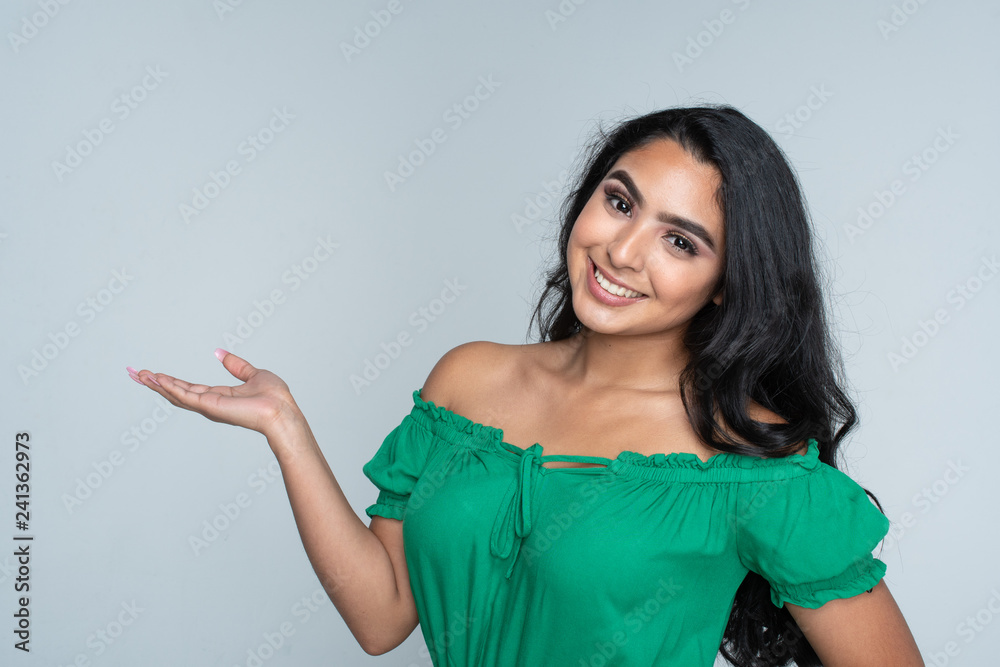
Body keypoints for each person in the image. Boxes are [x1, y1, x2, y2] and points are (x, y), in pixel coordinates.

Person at [127, 105, 923, 666]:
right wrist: (287, 429)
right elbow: (381, 616)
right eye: (619, 202)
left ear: (724, 283)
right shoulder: (469, 378)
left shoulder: (749, 457)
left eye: (679, 240)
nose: (621, 250)